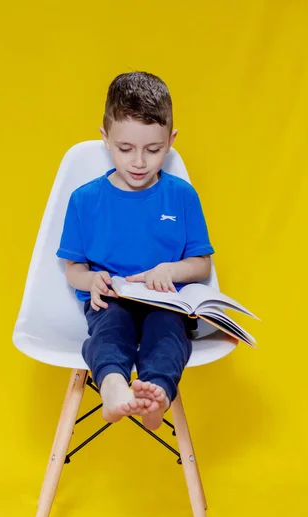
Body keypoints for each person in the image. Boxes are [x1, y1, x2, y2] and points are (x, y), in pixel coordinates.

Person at [57, 71, 214, 430]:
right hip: (112, 299)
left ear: (171, 141)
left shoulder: (181, 195)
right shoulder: (85, 200)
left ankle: (155, 393)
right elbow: (72, 269)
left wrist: (170, 271)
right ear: (106, 139)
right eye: (126, 149)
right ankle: (113, 387)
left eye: (154, 150)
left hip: (164, 300)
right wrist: (92, 279)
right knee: (108, 332)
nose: (139, 162)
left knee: (170, 335)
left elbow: (201, 264)